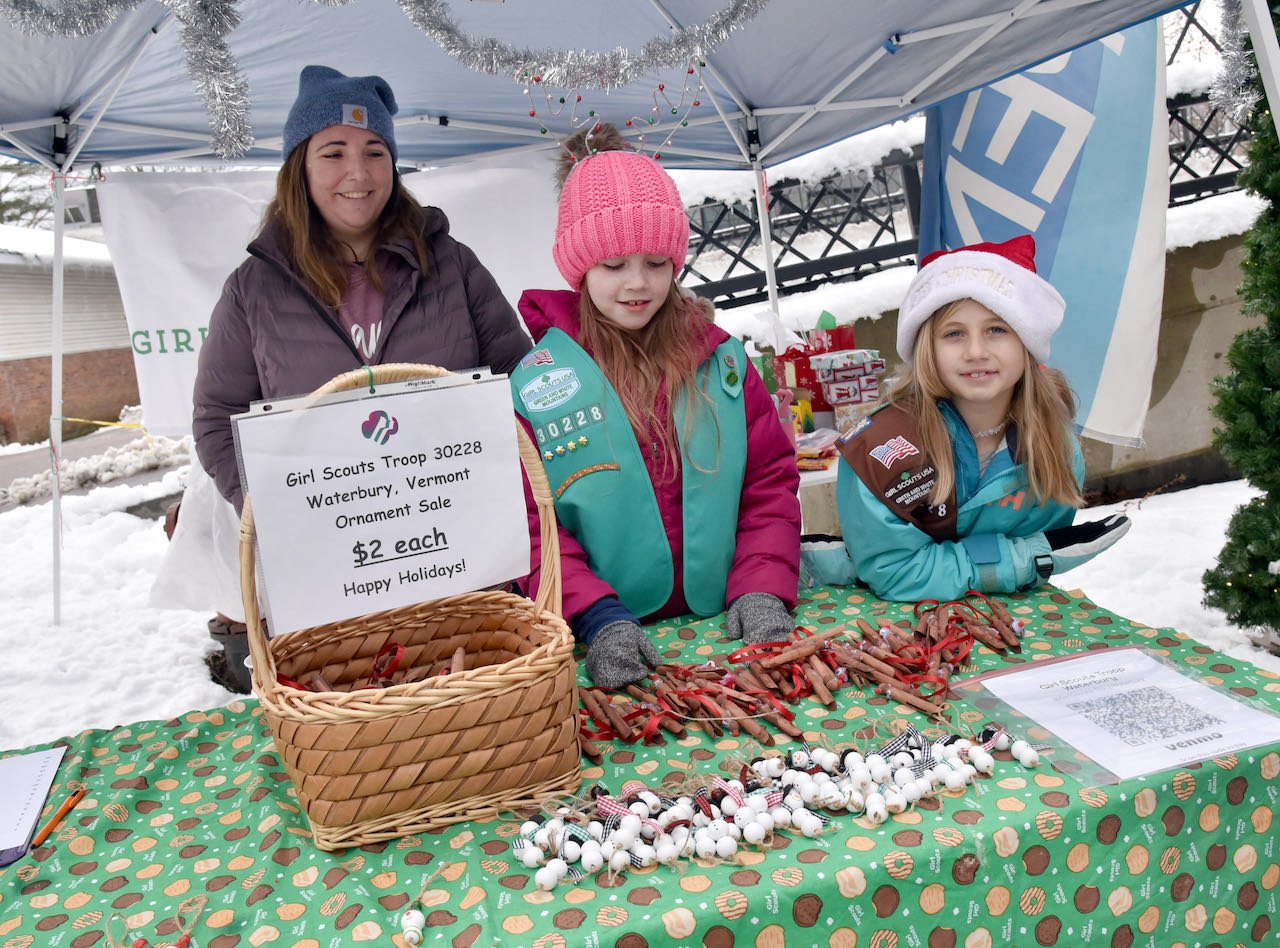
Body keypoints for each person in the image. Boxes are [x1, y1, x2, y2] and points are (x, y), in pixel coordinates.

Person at [190, 65, 531, 689]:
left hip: (459, 551)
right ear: (300, 165)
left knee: (476, 715)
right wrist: (282, 509)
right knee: (362, 739)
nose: (359, 172)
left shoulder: (449, 264)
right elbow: (217, 418)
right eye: (334, 152)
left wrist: (487, 484)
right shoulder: (254, 289)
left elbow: (516, 377)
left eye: (376, 151)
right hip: (332, 577)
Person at [509, 124, 801, 689]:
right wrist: (596, 616)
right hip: (607, 640)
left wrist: (762, 585)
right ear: (580, 269)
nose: (637, 284)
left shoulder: (725, 365)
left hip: (730, 626)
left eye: (657, 262)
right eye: (613, 266)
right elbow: (535, 528)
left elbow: (768, 484)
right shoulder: (537, 388)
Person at [834, 235, 1130, 603]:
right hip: (899, 631)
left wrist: (1018, 563)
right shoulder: (881, 449)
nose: (976, 351)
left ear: (1027, 341)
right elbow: (896, 573)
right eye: (954, 334)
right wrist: (1021, 560)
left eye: (997, 330)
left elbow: (1033, 572)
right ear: (927, 348)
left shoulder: (1055, 446)